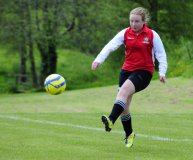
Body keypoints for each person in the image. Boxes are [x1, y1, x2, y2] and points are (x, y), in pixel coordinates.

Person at [91, 7, 167, 148]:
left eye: (137, 21)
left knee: (123, 92)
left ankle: (111, 119)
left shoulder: (152, 35)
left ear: (144, 21)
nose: (133, 24)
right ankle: (129, 134)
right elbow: (110, 46)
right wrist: (98, 60)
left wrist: (162, 72)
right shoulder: (125, 33)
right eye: (131, 21)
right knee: (124, 105)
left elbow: (161, 55)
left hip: (144, 72)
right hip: (126, 71)